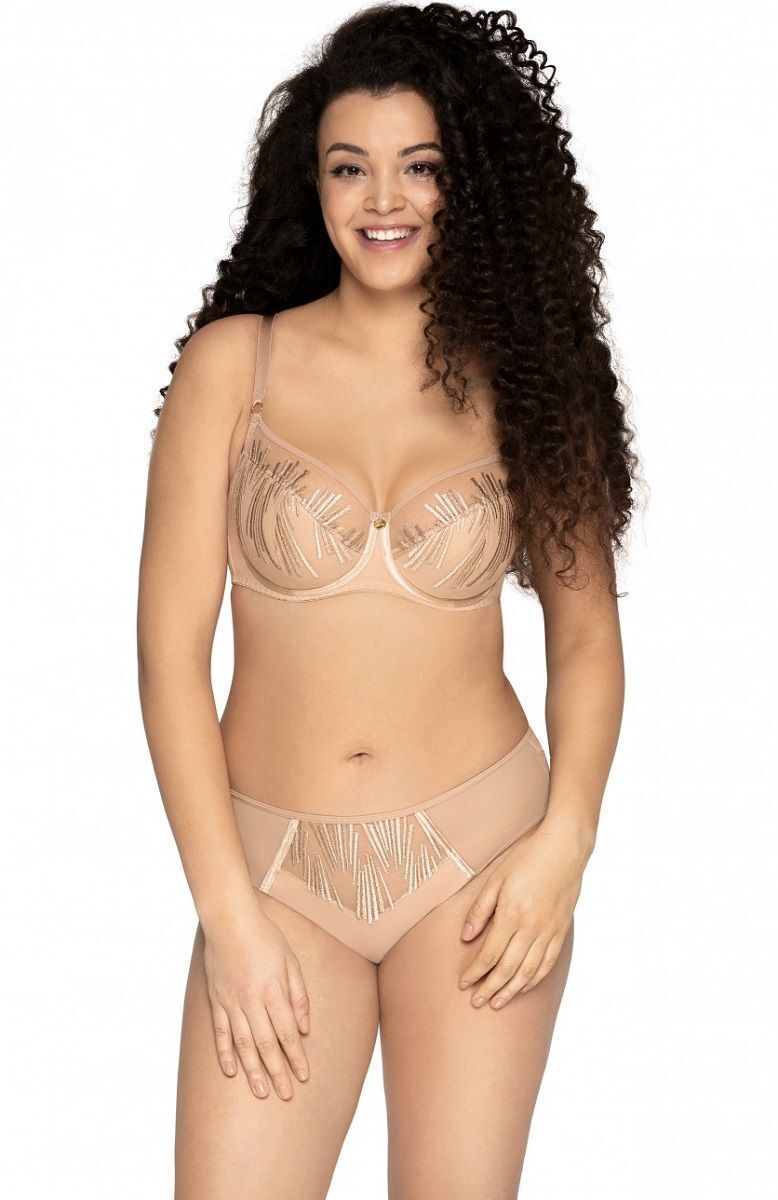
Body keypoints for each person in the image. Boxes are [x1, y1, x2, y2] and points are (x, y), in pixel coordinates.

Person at [137, 4, 637, 1196]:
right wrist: (229, 915)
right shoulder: (235, 365)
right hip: (273, 878)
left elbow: (584, 640)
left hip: (479, 866)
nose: (383, 199)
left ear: (469, 184)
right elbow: (168, 656)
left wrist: (564, 844)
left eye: (420, 166)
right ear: (308, 181)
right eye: (347, 167)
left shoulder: (530, 382)